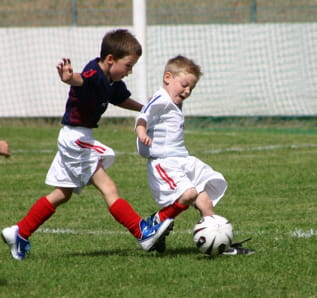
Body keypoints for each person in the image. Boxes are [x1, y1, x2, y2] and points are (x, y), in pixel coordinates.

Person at [1, 29, 173, 260]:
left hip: (73, 137)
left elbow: (120, 99)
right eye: (128, 65)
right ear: (110, 59)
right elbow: (81, 79)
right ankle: (142, 232)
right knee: (108, 188)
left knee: (63, 193)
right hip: (77, 139)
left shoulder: (112, 80)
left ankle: (19, 232)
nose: (130, 71)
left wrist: (146, 110)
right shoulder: (94, 73)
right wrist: (68, 78)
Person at [135, 55, 254, 255]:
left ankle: (219, 245)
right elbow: (143, 115)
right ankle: (158, 220)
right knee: (188, 194)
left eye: (191, 88)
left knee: (205, 200)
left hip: (184, 160)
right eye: (184, 85)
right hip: (164, 163)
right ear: (167, 77)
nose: (187, 91)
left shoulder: (172, 101)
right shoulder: (161, 98)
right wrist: (141, 132)